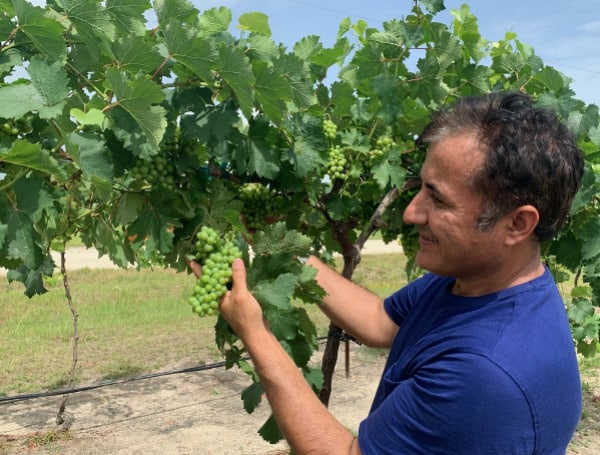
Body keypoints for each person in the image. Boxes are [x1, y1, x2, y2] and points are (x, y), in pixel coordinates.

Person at [190, 91, 585, 454]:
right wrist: (287, 250)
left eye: (438, 199)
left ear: (517, 224)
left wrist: (255, 334)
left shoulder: (483, 373)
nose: (411, 212)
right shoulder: (474, 283)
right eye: (421, 188)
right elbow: (381, 322)